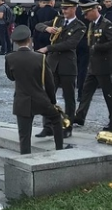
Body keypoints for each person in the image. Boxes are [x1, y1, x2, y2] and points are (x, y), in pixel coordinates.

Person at [5, 26, 71, 155]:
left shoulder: (9, 58)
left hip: (22, 100)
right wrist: (52, 101)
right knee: (56, 119)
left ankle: (26, 158)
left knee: (24, 135)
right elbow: (49, 82)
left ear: (15, 42)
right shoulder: (40, 57)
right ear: (29, 40)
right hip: (40, 99)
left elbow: (11, 77)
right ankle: (59, 149)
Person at [34, 0, 85, 138]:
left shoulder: (79, 26)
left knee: (69, 98)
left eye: (67, 9)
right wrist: (47, 28)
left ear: (74, 9)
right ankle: (48, 126)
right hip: (53, 64)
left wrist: (47, 48)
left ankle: (68, 127)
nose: (64, 11)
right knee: (48, 96)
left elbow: (70, 44)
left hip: (67, 65)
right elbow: (38, 25)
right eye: (62, 9)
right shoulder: (58, 20)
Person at [74, 1, 112, 128]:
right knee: (86, 92)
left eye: (87, 13)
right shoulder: (92, 25)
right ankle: (79, 116)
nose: (85, 16)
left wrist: (98, 47)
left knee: (108, 94)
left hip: (104, 65)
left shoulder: (106, 24)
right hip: (94, 65)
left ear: (94, 11)